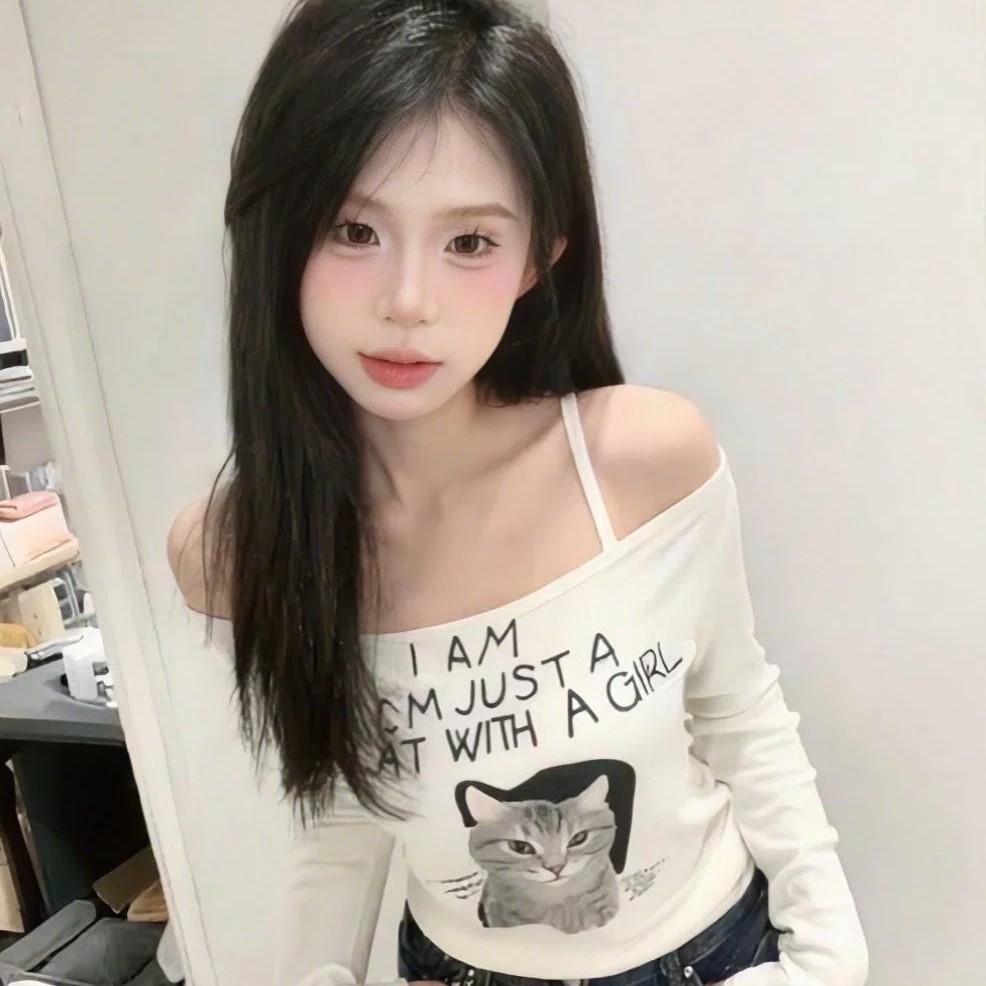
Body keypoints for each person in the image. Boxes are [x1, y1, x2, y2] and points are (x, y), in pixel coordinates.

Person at [167, 2, 869, 986]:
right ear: (274, 227)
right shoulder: (237, 552)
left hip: (707, 955)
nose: (407, 301)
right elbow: (344, 798)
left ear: (542, 253)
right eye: (352, 228)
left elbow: (735, 707)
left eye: (468, 242)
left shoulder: (642, 460)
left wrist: (828, 959)